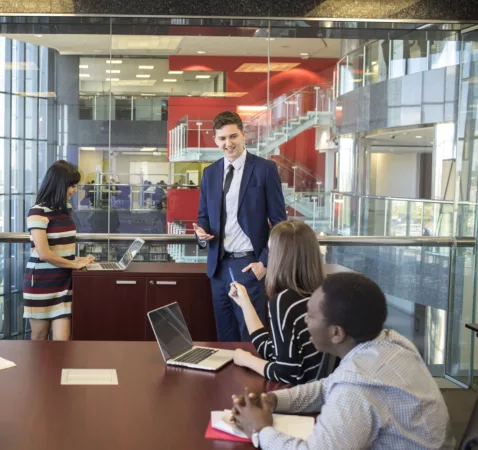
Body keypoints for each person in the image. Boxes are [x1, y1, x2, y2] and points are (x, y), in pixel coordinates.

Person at [229, 273, 451, 450]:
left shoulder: (358, 386)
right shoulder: (390, 343)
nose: (305, 320)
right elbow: (327, 387)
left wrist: (259, 430)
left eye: (311, 315)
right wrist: (273, 400)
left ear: (336, 333)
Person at [193, 111, 287, 342]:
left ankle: (253, 379)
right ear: (215, 140)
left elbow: (280, 223)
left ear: (244, 135)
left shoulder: (265, 169)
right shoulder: (210, 173)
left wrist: (265, 262)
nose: (228, 143)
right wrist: (201, 234)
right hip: (218, 266)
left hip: (249, 265)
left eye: (233, 136)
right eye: (222, 138)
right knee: (224, 334)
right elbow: (203, 216)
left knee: (251, 335)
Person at [229, 221, 324, 384]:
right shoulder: (323, 293)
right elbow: (273, 352)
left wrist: (246, 360)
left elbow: (286, 373)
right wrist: (245, 303)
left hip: (303, 399)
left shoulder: (284, 301)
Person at [24, 160, 95, 340]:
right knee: (39, 338)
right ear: (58, 185)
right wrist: (73, 264)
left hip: (64, 283)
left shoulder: (66, 209)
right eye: (71, 186)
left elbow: (63, 245)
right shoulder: (37, 212)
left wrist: (77, 260)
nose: (74, 190)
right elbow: (44, 253)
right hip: (40, 283)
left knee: (62, 344)